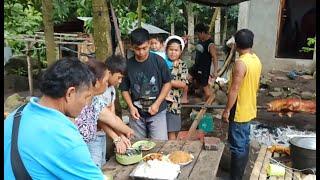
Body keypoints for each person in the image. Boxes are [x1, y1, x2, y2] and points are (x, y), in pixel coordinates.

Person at [4, 58, 105, 179]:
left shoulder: (16, 115)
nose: (86, 104)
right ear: (70, 93)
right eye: (86, 97)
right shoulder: (63, 137)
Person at [75, 56, 134, 168]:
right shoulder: (84, 100)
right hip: (81, 149)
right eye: (106, 81)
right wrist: (119, 136)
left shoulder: (95, 99)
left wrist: (125, 133)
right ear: (96, 82)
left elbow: (112, 118)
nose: (107, 84)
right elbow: (107, 120)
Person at [222, 29, 262, 180]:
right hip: (249, 107)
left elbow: (234, 90)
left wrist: (226, 110)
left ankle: (236, 177)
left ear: (237, 44)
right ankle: (239, 174)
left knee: (238, 147)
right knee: (244, 144)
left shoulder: (240, 63)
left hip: (239, 111)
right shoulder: (255, 59)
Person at [120, 28, 172, 140]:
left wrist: (157, 104)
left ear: (149, 43)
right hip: (137, 114)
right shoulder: (128, 65)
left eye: (145, 48)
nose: (141, 52)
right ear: (131, 47)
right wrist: (131, 107)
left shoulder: (159, 61)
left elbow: (167, 83)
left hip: (158, 112)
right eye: (137, 49)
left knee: (160, 145)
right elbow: (124, 89)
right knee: (137, 146)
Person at [164, 35, 188, 140]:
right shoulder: (161, 62)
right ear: (166, 50)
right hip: (158, 104)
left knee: (171, 131)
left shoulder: (182, 65)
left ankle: (170, 153)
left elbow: (183, 84)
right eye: (171, 49)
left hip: (173, 104)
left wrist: (167, 81)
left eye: (176, 50)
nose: (173, 52)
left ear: (180, 51)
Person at [189, 23, 218, 101]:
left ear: (202, 33)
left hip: (203, 70)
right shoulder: (200, 41)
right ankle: (197, 93)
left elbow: (215, 57)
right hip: (196, 67)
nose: (197, 36)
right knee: (188, 78)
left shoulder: (210, 44)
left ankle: (209, 101)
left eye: (198, 34)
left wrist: (215, 71)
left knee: (206, 88)